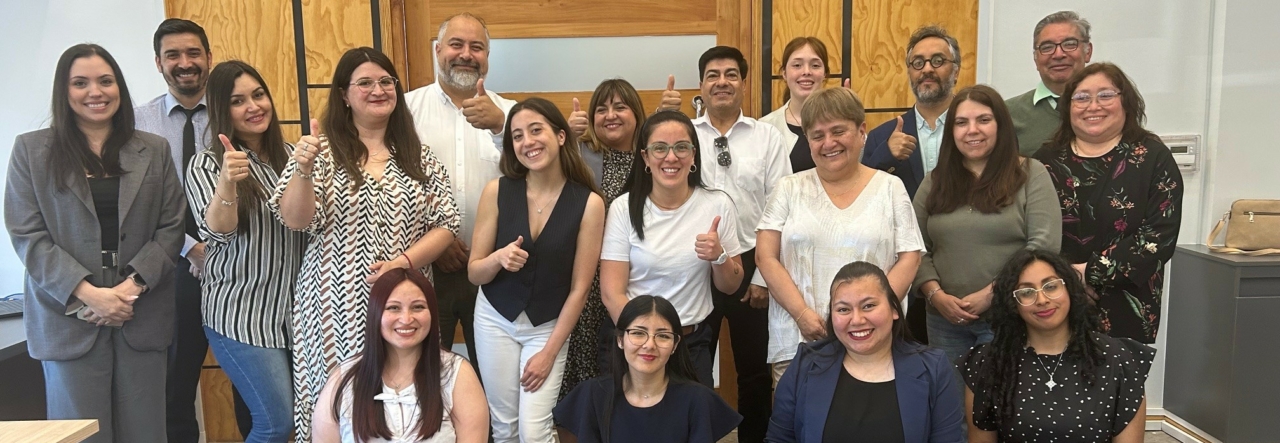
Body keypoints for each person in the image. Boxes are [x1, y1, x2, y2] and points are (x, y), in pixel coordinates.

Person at [271, 47, 462, 439]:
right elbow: (295, 220)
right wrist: (303, 169)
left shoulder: (418, 155)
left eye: (386, 81)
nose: (378, 90)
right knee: (335, 400)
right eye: (365, 83)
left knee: (405, 395)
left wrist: (402, 262)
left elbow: (447, 224)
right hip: (333, 301)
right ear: (344, 94)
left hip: (405, 300)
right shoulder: (319, 151)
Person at [5, 43, 186, 443]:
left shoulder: (153, 149)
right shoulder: (31, 150)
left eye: (105, 81)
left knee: (146, 433)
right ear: (64, 90)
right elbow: (28, 235)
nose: (95, 92)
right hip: (68, 316)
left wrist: (128, 290)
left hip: (140, 310)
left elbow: (172, 226)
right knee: (82, 435)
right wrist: (89, 294)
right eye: (80, 83)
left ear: (119, 87)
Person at [133, 18, 254, 440]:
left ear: (208, 57)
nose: (184, 63)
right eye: (173, 55)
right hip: (174, 272)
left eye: (193, 53)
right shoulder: (137, 124)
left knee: (253, 387)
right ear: (158, 63)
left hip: (241, 271)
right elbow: (139, 205)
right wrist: (190, 248)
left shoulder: (235, 114)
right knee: (174, 388)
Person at [756, 86, 924, 381]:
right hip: (801, 338)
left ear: (862, 131)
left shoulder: (890, 187)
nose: (828, 143)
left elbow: (910, 256)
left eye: (838, 131)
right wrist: (802, 315)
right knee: (800, 411)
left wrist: (871, 315)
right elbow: (765, 257)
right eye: (817, 135)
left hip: (873, 341)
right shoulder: (788, 188)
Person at [467, 98, 606, 442]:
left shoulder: (589, 203)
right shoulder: (497, 191)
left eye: (535, 130)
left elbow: (580, 289)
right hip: (494, 319)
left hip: (547, 327)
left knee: (534, 431)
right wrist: (498, 258)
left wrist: (549, 353)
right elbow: (475, 273)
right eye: (517, 136)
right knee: (505, 428)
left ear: (560, 136)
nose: (527, 142)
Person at [184, 60, 306, 442]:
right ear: (222, 110)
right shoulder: (206, 163)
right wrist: (227, 183)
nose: (253, 106)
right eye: (238, 101)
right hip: (241, 316)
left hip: (298, 316)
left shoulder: (292, 157)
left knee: (310, 422)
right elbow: (216, 233)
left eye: (258, 95)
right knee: (276, 422)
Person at [911, 84, 1061, 375]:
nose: (972, 130)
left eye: (983, 120)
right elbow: (914, 245)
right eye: (961, 122)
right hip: (944, 321)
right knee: (952, 401)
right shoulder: (934, 181)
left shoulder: (1031, 173)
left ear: (1001, 125)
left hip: (1010, 315)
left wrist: (992, 294)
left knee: (1004, 398)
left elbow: (1043, 246)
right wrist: (935, 295)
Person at [1032, 62, 1183, 344]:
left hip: (1126, 303)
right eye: (1081, 97)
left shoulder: (1152, 157)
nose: (1093, 106)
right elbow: (1027, 227)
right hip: (1053, 299)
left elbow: (1159, 235)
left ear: (1126, 102)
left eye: (1105, 95)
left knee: (1119, 373)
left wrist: (1089, 273)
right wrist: (1065, 277)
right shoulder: (1045, 159)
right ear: (1068, 107)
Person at [600, 109, 745, 389]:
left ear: (693, 155)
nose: (671, 157)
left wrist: (719, 257)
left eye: (681, 147)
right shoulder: (623, 208)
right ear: (645, 157)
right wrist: (646, 339)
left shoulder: (717, 204)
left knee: (694, 417)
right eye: (659, 148)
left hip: (691, 344)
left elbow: (730, 286)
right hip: (633, 344)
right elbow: (611, 293)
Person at [405, 12, 516, 364]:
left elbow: (531, 180)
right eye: (456, 44)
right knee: (426, 371)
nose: (466, 54)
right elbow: (392, 182)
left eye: (476, 47)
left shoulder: (511, 114)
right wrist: (436, 240)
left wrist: (501, 127)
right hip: (425, 269)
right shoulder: (405, 111)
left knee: (491, 374)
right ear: (438, 50)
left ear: (487, 56)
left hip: (495, 271)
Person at [691, 45, 788, 443]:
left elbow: (780, 207)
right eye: (713, 75)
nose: (722, 82)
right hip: (696, 264)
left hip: (752, 260)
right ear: (701, 85)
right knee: (692, 367)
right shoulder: (686, 135)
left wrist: (764, 274)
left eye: (731, 74)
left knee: (754, 371)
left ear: (744, 83)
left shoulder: (766, 137)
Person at [959, 249, 1153, 442]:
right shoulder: (989, 362)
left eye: (1051, 286)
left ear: (1069, 288)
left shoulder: (1118, 359)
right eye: (1027, 292)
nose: (1042, 300)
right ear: (1013, 303)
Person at [766, 262, 964, 443]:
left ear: (894, 309)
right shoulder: (805, 364)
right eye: (843, 309)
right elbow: (779, 439)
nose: (857, 320)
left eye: (868, 306)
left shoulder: (933, 368)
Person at [312, 268, 489, 443]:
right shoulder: (344, 379)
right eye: (394, 308)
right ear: (376, 313)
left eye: (418, 307)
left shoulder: (458, 374)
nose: (406, 319)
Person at [559, 79, 648, 401]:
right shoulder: (579, 155)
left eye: (620, 107)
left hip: (634, 277)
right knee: (583, 368)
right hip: (585, 279)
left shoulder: (650, 160)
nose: (610, 115)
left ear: (636, 114)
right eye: (601, 109)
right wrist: (566, 138)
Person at [554, 295, 741, 443]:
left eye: (663, 336)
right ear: (620, 340)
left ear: (675, 345)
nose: (650, 345)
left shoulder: (698, 400)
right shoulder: (593, 394)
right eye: (638, 333)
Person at [862, 25, 962, 200]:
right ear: (909, 73)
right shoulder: (880, 137)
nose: (927, 69)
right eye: (918, 63)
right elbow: (865, 195)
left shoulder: (976, 130)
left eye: (937, 60)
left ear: (956, 72)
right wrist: (888, 155)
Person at [1007, 11, 1093, 156]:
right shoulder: (1007, 114)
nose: (1058, 54)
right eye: (1047, 47)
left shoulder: (1113, 108)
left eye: (1069, 44)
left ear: (1088, 52)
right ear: (1035, 58)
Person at [760, 37, 831, 174]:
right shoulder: (766, 127)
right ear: (784, 73)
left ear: (825, 74)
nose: (806, 71)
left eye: (815, 65)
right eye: (797, 65)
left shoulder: (842, 122)